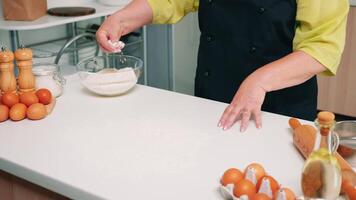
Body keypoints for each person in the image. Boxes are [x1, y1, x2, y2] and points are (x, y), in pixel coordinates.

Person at [96, 0, 349, 132]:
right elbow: (169, 0)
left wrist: (259, 81)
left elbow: (321, 47)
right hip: (213, 97)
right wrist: (121, 18)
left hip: (277, 108)